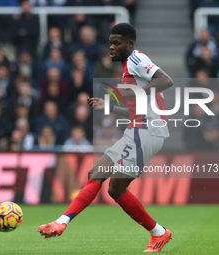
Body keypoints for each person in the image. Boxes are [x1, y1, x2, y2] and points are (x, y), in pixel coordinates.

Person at [38, 23, 174, 253]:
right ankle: (159, 233)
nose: (111, 47)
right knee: (110, 185)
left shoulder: (136, 60)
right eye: (110, 42)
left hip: (147, 131)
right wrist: (109, 107)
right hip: (139, 128)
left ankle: (62, 223)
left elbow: (166, 80)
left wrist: (138, 93)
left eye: (117, 43)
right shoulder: (129, 66)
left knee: (104, 180)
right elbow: (135, 109)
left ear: (130, 44)